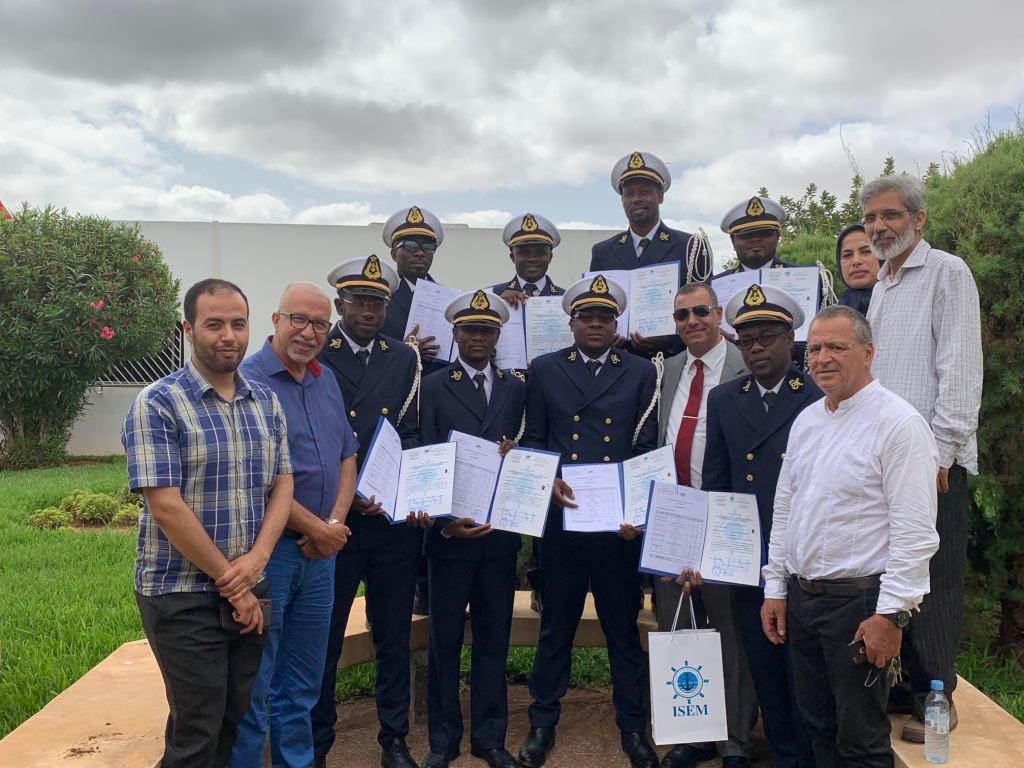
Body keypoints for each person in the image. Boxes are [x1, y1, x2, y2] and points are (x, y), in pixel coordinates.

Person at [122, 278, 294, 768]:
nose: (228, 335)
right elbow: (167, 507)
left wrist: (257, 561)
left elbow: (284, 483)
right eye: (214, 324)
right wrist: (234, 584)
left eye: (238, 324)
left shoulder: (265, 401)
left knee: (232, 720)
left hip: (249, 584)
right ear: (188, 329)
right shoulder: (157, 403)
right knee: (196, 728)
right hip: (180, 591)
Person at [762, 305, 940, 768]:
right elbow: (787, 511)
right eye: (815, 348)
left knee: (861, 741)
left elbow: (914, 532)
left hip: (858, 608)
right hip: (803, 601)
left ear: (868, 352)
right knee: (818, 726)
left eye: (836, 347)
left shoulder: (899, 425)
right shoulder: (808, 421)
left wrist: (890, 616)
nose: (822, 358)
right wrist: (776, 587)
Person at [517, 275, 660, 768]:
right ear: (571, 322)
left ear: (616, 324)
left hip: (617, 529)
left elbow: (645, 447)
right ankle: (542, 724)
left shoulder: (641, 372)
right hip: (565, 520)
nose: (596, 324)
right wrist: (550, 477)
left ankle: (632, 728)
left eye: (605, 317)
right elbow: (534, 437)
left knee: (622, 631)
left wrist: (635, 508)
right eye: (586, 317)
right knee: (556, 629)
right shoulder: (545, 369)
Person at [860, 173, 982, 742]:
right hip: (886, 460)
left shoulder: (947, 273)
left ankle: (938, 699)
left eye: (890, 216)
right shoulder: (882, 285)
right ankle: (903, 689)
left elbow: (959, 367)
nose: (880, 227)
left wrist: (944, 450)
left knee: (936, 580)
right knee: (893, 574)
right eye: (871, 219)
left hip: (933, 462)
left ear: (918, 218)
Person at [230, 283, 359, 768]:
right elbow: (260, 479)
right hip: (272, 556)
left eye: (320, 324)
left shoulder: (324, 378)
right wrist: (320, 531)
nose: (309, 333)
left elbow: (347, 454)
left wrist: (334, 524)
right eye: (299, 320)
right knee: (256, 687)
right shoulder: (247, 381)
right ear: (275, 319)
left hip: (320, 556)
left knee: (302, 685)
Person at [699, 284, 822, 768]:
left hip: (805, 553)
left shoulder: (816, 395)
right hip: (750, 555)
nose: (755, 348)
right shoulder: (726, 398)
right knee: (766, 667)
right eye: (746, 339)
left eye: (767, 337)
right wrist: (711, 553)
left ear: (790, 339)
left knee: (806, 673)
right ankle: (785, 756)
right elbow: (717, 482)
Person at [312, 256, 423, 768]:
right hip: (333, 520)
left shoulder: (403, 358)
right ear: (340, 304)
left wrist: (408, 488)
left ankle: (393, 736)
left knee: (392, 634)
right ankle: (318, 739)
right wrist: (346, 489)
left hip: (389, 520)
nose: (368, 310)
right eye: (359, 300)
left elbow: (413, 432)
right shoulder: (317, 353)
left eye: (377, 302)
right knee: (326, 634)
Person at [418, 289, 527, 768]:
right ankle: (443, 740)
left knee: (492, 640)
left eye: (486, 329)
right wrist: (443, 525)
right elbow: (423, 454)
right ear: (455, 335)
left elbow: (531, 453)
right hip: (450, 537)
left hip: (499, 537)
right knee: (444, 642)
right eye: (469, 329)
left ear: (498, 335)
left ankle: (489, 737)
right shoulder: (434, 386)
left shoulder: (515, 388)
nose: (478, 337)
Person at [653, 282, 757, 768]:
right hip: (673, 516)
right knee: (681, 626)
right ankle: (693, 733)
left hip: (725, 515)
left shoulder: (743, 365)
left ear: (719, 315)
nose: (691, 321)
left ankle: (735, 739)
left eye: (700, 312)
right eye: (681, 315)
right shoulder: (670, 368)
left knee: (728, 629)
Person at [591, 150, 713, 358]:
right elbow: (597, 307)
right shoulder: (603, 252)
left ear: (660, 196)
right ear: (622, 200)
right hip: (618, 361)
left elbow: (704, 311)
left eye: (644, 192)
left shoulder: (690, 246)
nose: (636, 199)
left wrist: (668, 339)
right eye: (629, 194)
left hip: (673, 360)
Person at [379, 205, 448, 377]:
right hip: (393, 388)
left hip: (436, 390)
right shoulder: (380, 296)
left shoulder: (447, 299)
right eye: (410, 246)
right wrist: (404, 351)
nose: (420, 253)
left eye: (428, 247)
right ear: (394, 254)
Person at [492, 212, 566, 305]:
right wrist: (497, 305)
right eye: (524, 253)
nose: (532, 259)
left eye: (540, 252)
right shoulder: (493, 296)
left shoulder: (565, 299)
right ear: (512, 257)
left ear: (550, 257)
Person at [715, 196, 794, 275]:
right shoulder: (715, 286)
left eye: (764, 233)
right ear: (733, 241)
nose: (755, 239)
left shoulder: (803, 278)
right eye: (746, 235)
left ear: (777, 237)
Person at [835, 223, 880, 316]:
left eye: (866, 251)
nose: (856, 261)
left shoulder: (900, 302)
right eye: (847, 255)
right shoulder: (834, 313)